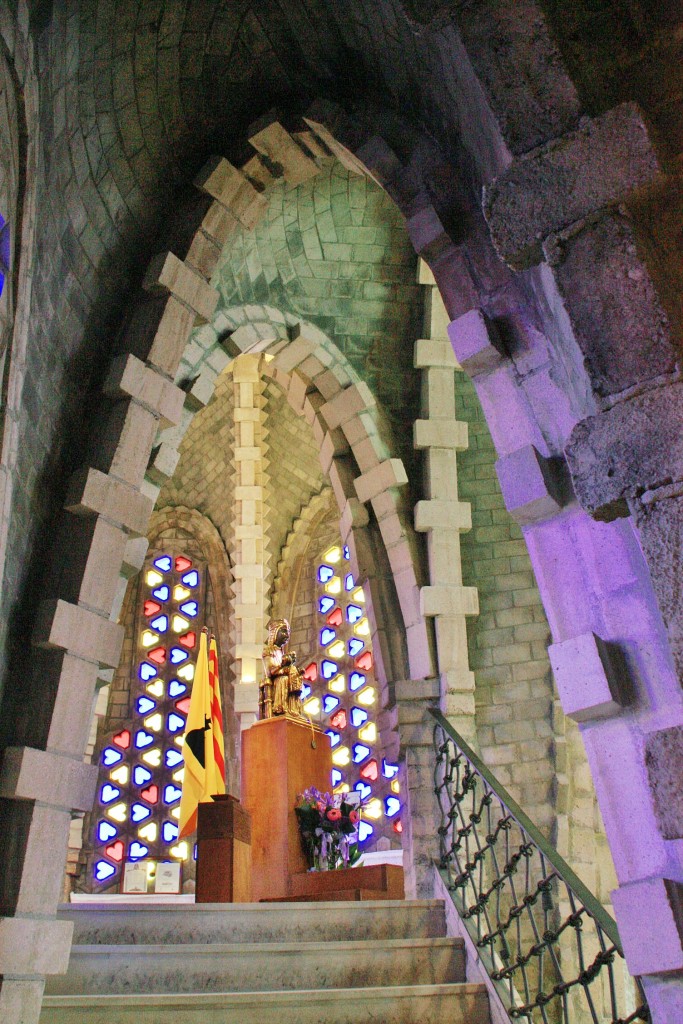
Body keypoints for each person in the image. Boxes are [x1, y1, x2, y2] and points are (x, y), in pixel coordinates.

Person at [259, 617, 304, 719]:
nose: (287, 635)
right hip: (275, 681)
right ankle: (280, 709)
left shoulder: (281, 652)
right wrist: (283, 664)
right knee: (283, 679)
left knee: (296, 676)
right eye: (283, 632)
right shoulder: (268, 651)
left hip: (284, 675)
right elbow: (270, 671)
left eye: (288, 632)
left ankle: (293, 709)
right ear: (275, 633)